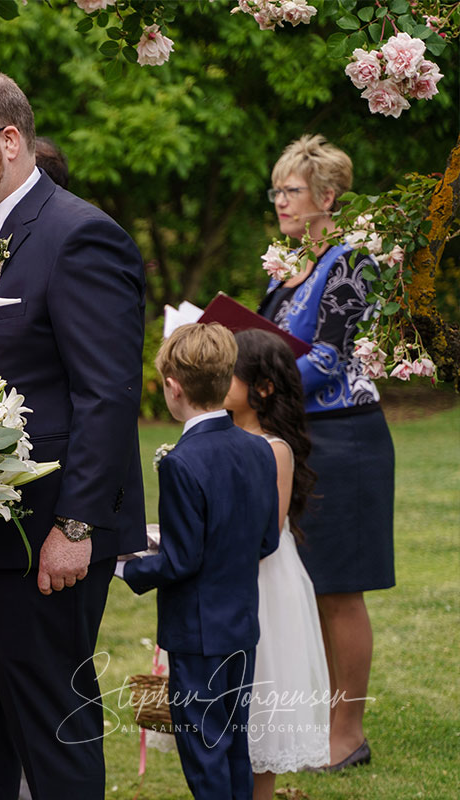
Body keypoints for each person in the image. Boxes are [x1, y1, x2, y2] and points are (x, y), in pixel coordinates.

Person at [0, 68, 146, 799]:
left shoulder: (81, 236)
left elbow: (106, 395)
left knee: (54, 742)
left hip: (44, 547)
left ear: (10, 141)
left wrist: (75, 525)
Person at [257, 134, 393, 771]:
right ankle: (323, 721)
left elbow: (330, 359)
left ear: (327, 198)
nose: (280, 200)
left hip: (346, 440)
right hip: (299, 439)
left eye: (292, 190)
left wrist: (255, 385)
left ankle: (348, 732)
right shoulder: (288, 272)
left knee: (340, 589)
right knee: (309, 585)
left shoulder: (351, 263)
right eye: (277, 189)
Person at [121, 322, 280, 800]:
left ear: (173, 388)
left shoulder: (181, 462)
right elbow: (265, 539)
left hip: (197, 636)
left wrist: (126, 567)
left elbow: (181, 562)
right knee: (233, 744)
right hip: (240, 627)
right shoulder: (259, 449)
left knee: (203, 751)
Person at [224, 329, 331, 798]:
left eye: (229, 372)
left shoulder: (274, 450)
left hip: (262, 585)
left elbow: (266, 531)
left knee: (262, 701)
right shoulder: (217, 437)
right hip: (223, 581)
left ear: (262, 388)